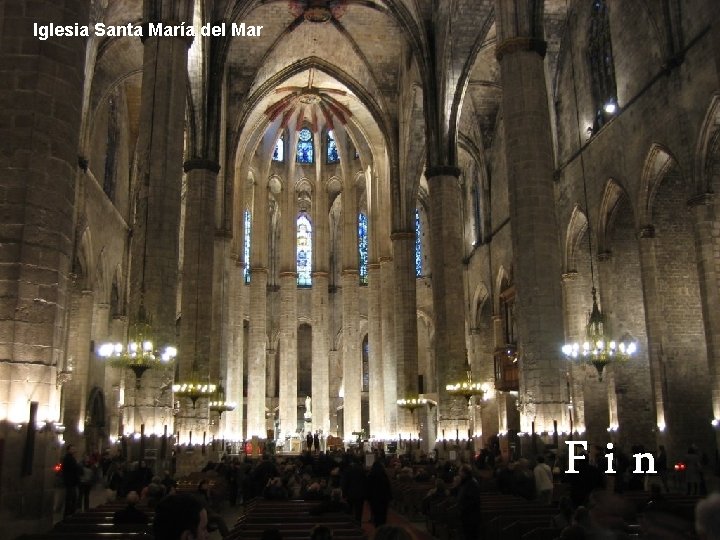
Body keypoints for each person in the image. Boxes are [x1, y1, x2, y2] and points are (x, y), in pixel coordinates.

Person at [453, 464, 482, 540]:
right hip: (466, 516)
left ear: (464, 473)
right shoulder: (465, 482)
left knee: (470, 536)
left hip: (470, 517)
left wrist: (462, 508)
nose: (459, 473)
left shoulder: (472, 483)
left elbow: (472, 501)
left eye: (460, 471)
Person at [366, 459, 392, 527]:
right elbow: (388, 487)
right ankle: (383, 526)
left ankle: (377, 527)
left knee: (376, 514)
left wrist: (368, 498)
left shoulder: (370, 475)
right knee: (383, 514)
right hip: (383, 498)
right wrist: (389, 497)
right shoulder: (384, 476)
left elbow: (368, 487)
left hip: (374, 498)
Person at [61, 444, 81, 516]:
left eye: (74, 449)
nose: (74, 450)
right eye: (72, 449)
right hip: (70, 482)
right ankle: (68, 515)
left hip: (71, 482)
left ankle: (70, 514)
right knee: (70, 499)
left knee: (72, 499)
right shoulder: (68, 458)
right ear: (68, 450)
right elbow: (72, 469)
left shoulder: (71, 458)